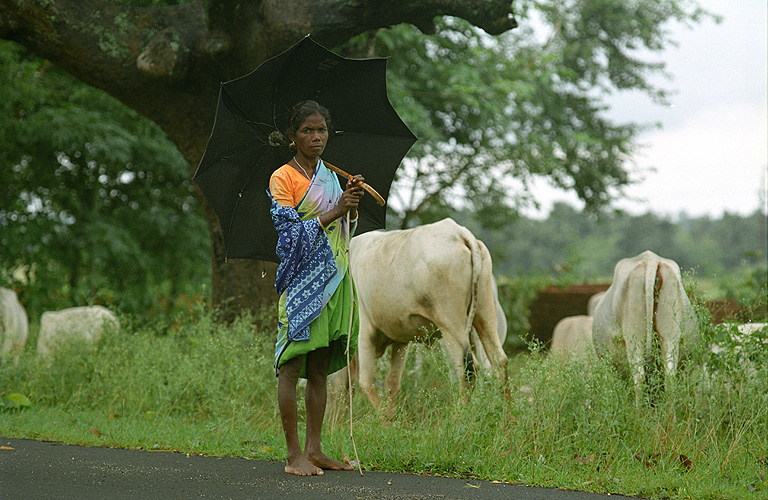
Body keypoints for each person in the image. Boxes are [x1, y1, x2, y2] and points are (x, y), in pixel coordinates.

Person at [268, 100, 364, 476]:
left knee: (321, 368)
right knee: (291, 367)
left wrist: (349, 203)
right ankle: (294, 456)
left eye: (321, 129)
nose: (316, 137)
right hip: (300, 283)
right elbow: (288, 238)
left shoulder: (331, 176)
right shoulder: (282, 178)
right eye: (307, 131)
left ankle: (315, 450)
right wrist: (337, 210)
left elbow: (341, 228)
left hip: (333, 280)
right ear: (292, 137)